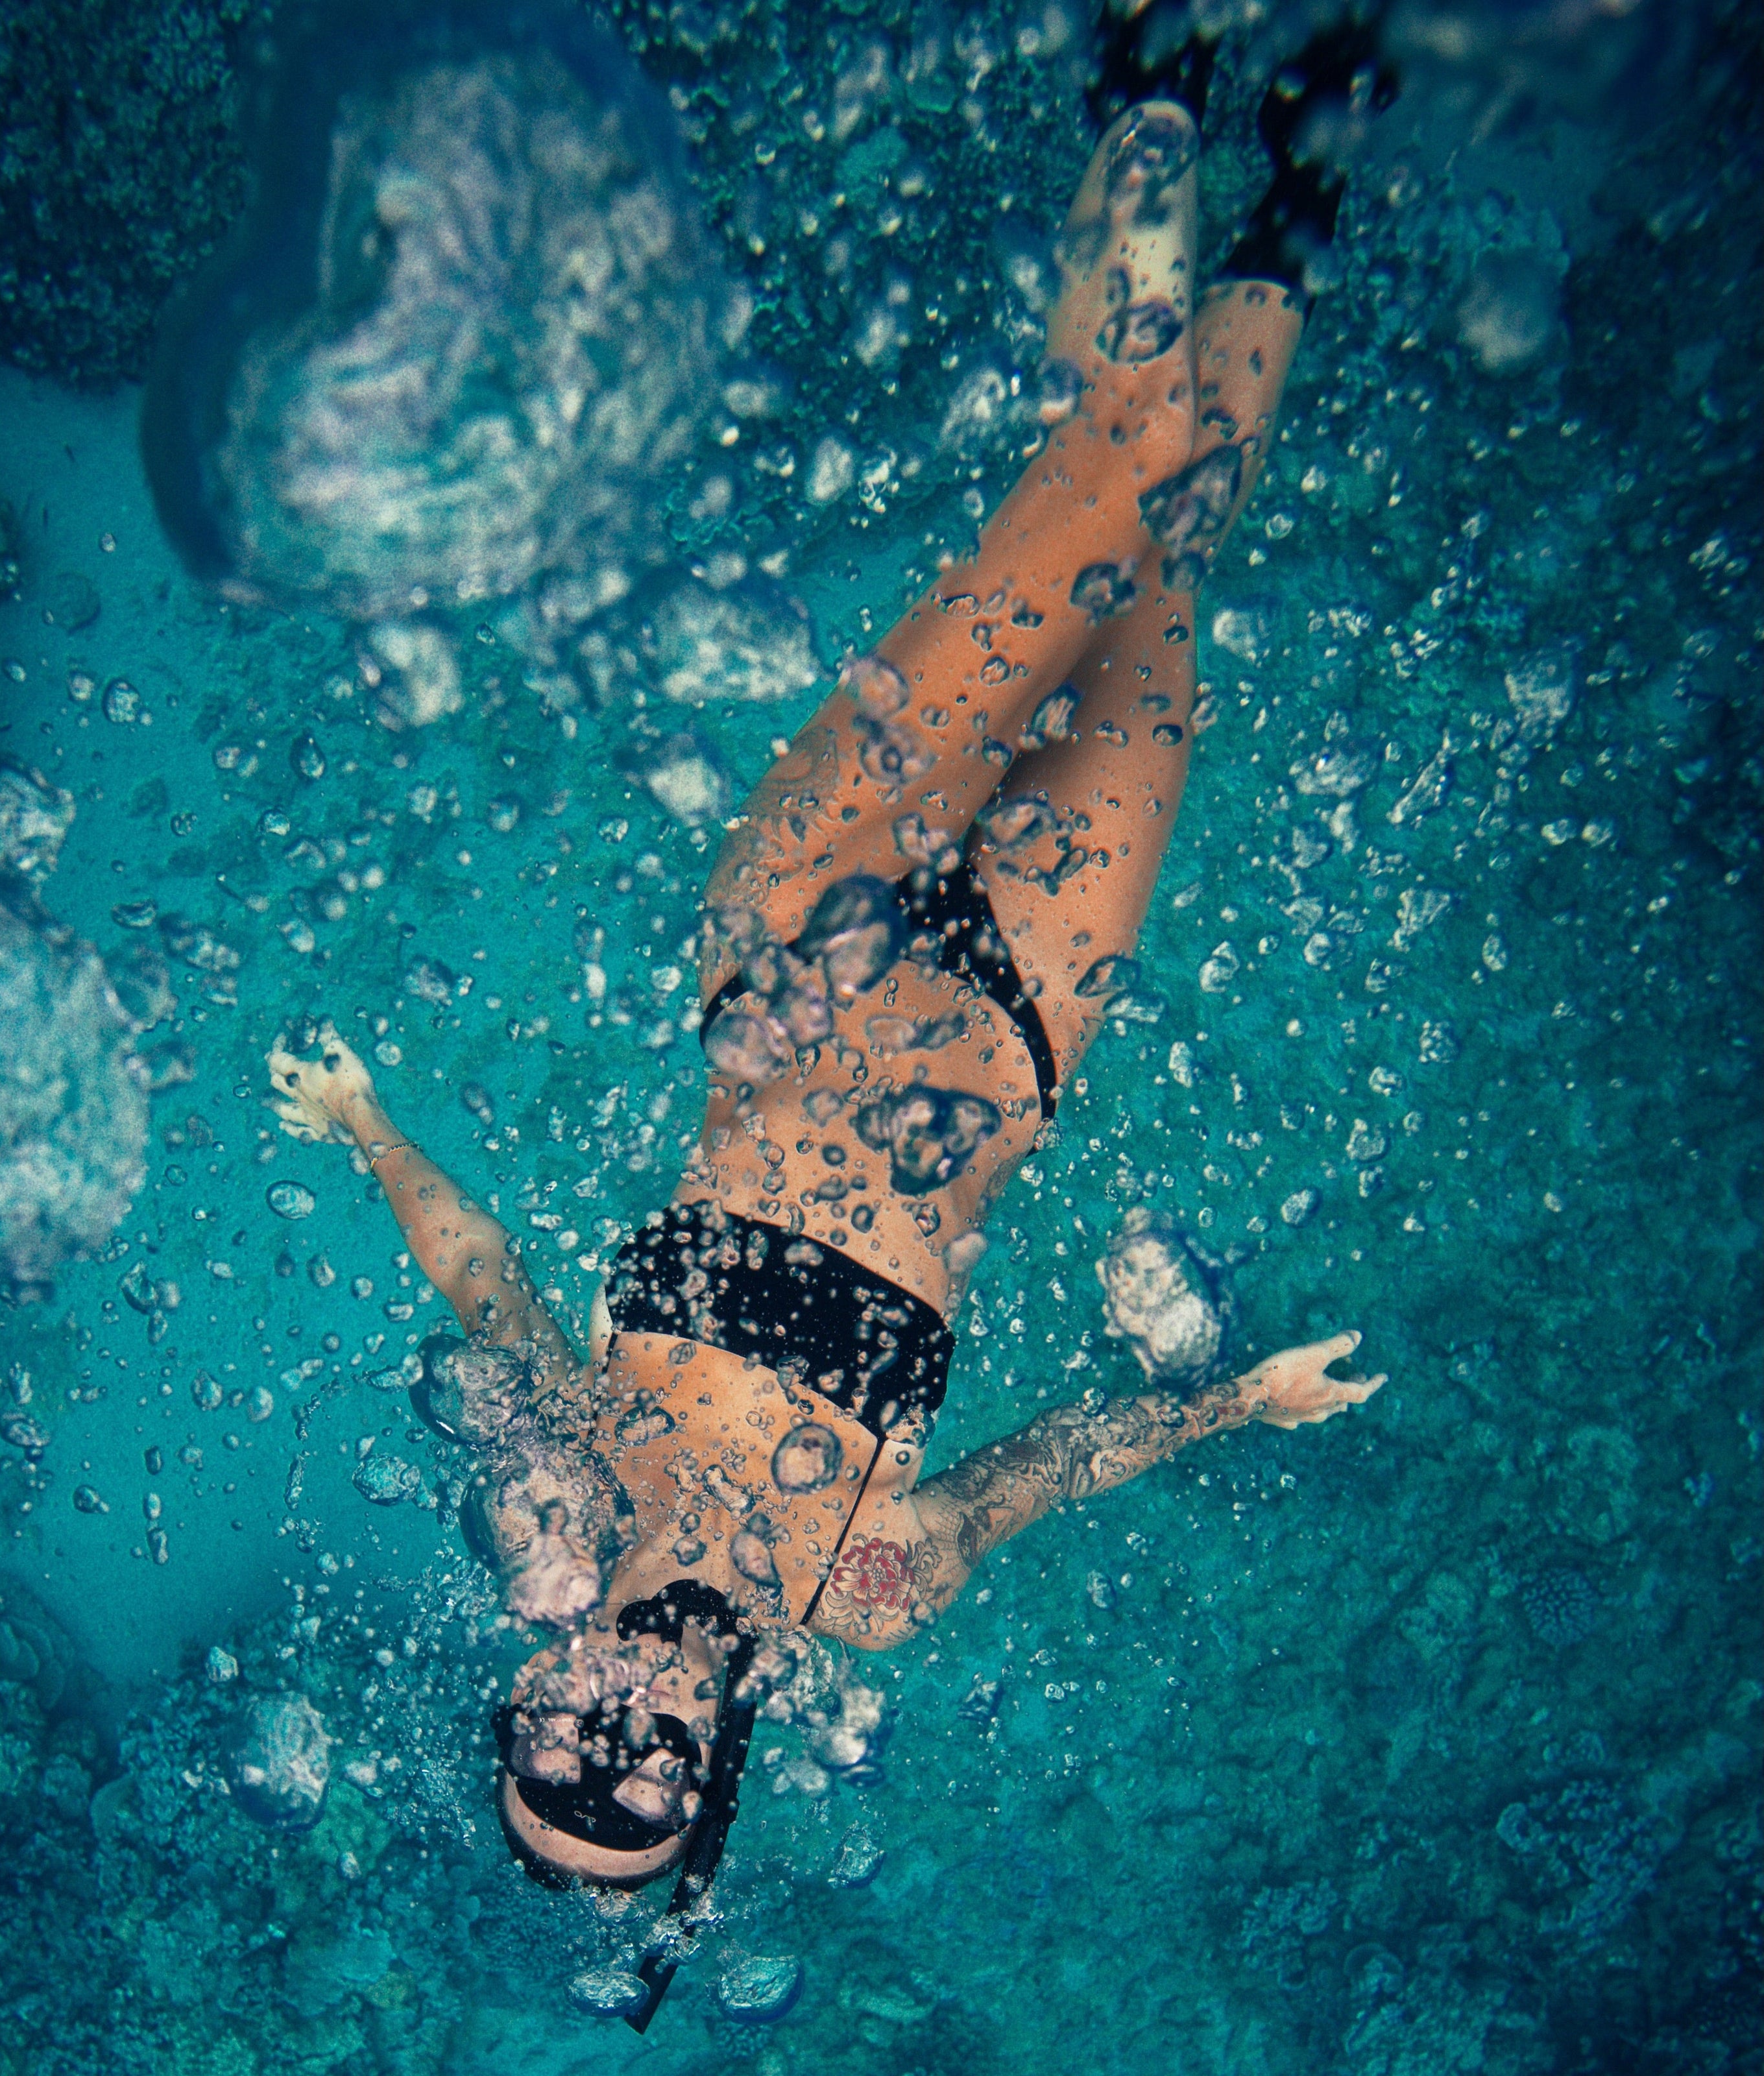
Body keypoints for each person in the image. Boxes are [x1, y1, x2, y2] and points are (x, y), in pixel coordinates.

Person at [263, 8, 1394, 2011]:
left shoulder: (563, 1469)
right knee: (1178, 557)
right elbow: (1056, 1461)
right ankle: (1294, 190)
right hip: (1017, 1026)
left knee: (1111, 472)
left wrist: (366, 1131)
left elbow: (482, 1286)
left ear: (531, 1688)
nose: (614, 1733)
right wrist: (1242, 1397)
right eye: (641, 1786)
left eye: (560, 1756)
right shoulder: (875, 1588)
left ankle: (1152, 69)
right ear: (706, 1781)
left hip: (811, 933)